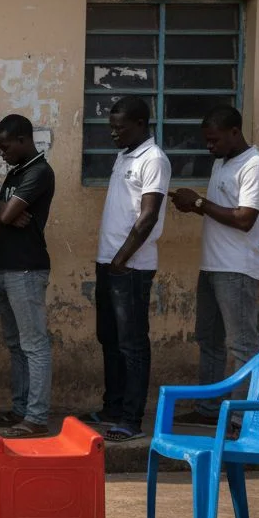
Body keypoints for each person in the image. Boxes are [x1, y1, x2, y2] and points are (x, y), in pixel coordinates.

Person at [170, 105, 259, 426]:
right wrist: (194, 205)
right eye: (206, 140)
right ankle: (210, 410)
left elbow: (245, 218)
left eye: (214, 140)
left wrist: (199, 203)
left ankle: (244, 419)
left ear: (234, 132)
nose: (209, 146)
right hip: (212, 266)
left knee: (243, 345)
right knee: (209, 340)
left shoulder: (255, 166)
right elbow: (223, 210)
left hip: (238, 269)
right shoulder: (222, 163)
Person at [91, 96, 170, 443]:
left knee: (132, 344)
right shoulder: (125, 155)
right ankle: (113, 405)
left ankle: (132, 419)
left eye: (120, 127)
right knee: (109, 339)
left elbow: (148, 215)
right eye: (112, 127)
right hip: (109, 262)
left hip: (131, 266)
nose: (113, 133)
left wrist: (122, 259)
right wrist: (110, 261)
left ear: (141, 124)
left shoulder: (153, 159)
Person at [0, 115, 56, 439]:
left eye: (5, 146)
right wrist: (4, 209)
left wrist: (5, 212)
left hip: (27, 269)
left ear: (24, 140)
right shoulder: (16, 173)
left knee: (34, 345)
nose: (2, 153)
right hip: (8, 268)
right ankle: (20, 408)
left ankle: (37, 416)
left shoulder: (40, 172)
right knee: (16, 344)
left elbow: (6, 214)